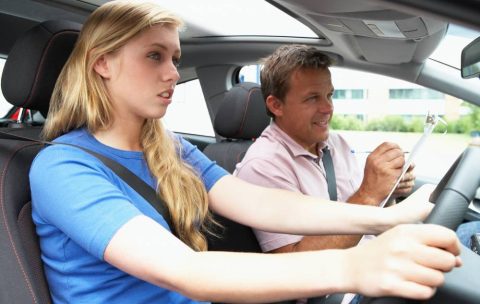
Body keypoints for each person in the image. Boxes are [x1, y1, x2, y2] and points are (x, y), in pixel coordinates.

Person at [29, 2, 462, 304]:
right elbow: (186, 272)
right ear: (102, 63)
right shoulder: (63, 167)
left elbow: (257, 203)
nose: (173, 73)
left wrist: (387, 217)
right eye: (154, 56)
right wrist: (355, 265)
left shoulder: (166, 146)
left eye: (175, 58)